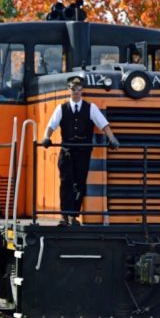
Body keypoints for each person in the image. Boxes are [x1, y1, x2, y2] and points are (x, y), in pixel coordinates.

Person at [39, 76, 120, 226]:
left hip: (83, 152)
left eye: (78, 89)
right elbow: (51, 125)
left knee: (79, 184)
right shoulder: (61, 108)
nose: (76, 92)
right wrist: (46, 137)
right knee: (66, 182)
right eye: (73, 89)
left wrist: (112, 139)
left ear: (82, 90)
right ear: (69, 90)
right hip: (67, 151)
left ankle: (73, 216)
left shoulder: (91, 108)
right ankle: (64, 216)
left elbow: (103, 125)